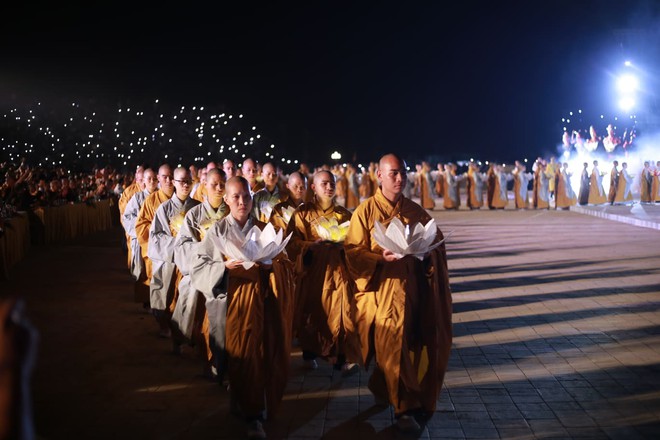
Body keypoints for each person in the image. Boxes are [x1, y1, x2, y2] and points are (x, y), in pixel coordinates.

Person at [344, 154, 452, 433]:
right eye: (393, 173)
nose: (400, 178)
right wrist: (379, 258)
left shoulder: (416, 212)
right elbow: (353, 253)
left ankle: (382, 382)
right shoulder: (365, 212)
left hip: (414, 293)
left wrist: (429, 252)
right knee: (393, 345)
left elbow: (436, 245)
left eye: (403, 172)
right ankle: (406, 409)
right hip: (381, 296)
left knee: (407, 348)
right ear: (378, 176)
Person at [191, 176, 294, 440]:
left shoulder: (264, 228)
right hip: (233, 306)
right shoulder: (217, 232)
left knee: (263, 356)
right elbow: (199, 269)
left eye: (246, 197)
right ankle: (252, 416)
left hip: (264, 304)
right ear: (226, 200)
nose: (242, 202)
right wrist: (223, 268)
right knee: (244, 357)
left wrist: (273, 267)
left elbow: (285, 264)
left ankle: (252, 406)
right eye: (235, 197)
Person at [285, 170, 358, 375]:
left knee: (344, 315)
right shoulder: (302, 214)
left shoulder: (344, 214)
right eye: (324, 183)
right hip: (314, 274)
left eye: (332, 183)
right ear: (313, 187)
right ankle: (310, 353)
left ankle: (341, 356)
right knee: (312, 314)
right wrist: (311, 246)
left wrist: (345, 246)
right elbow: (292, 242)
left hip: (339, 273)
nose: (329, 187)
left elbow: (356, 242)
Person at [173, 168, 228, 379]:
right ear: (204, 185)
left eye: (222, 183)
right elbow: (183, 248)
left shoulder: (231, 212)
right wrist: (206, 247)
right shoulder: (194, 215)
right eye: (214, 183)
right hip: (201, 274)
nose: (219, 188)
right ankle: (206, 358)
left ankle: (219, 362)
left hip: (225, 274)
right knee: (198, 318)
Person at [148, 166, 200, 344]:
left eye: (189, 181)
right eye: (182, 181)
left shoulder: (198, 208)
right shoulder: (164, 209)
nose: (185, 185)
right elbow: (156, 237)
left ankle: (183, 336)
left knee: (187, 304)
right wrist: (179, 243)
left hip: (190, 266)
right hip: (171, 262)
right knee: (167, 301)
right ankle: (170, 331)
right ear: (174, 183)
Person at [135, 164, 175, 333]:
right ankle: (163, 323)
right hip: (158, 255)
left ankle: (175, 329)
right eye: (164, 177)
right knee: (159, 291)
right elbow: (140, 226)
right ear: (159, 178)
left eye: (170, 176)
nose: (167, 180)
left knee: (176, 294)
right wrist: (157, 231)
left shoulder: (181, 199)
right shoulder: (150, 201)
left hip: (178, 256)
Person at [122, 168, 159, 307]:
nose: (151, 181)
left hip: (157, 243)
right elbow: (127, 217)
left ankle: (157, 301)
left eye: (154, 178)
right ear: (143, 180)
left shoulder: (161, 198)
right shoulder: (137, 198)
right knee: (142, 272)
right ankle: (145, 300)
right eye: (148, 178)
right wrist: (141, 231)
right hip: (141, 241)